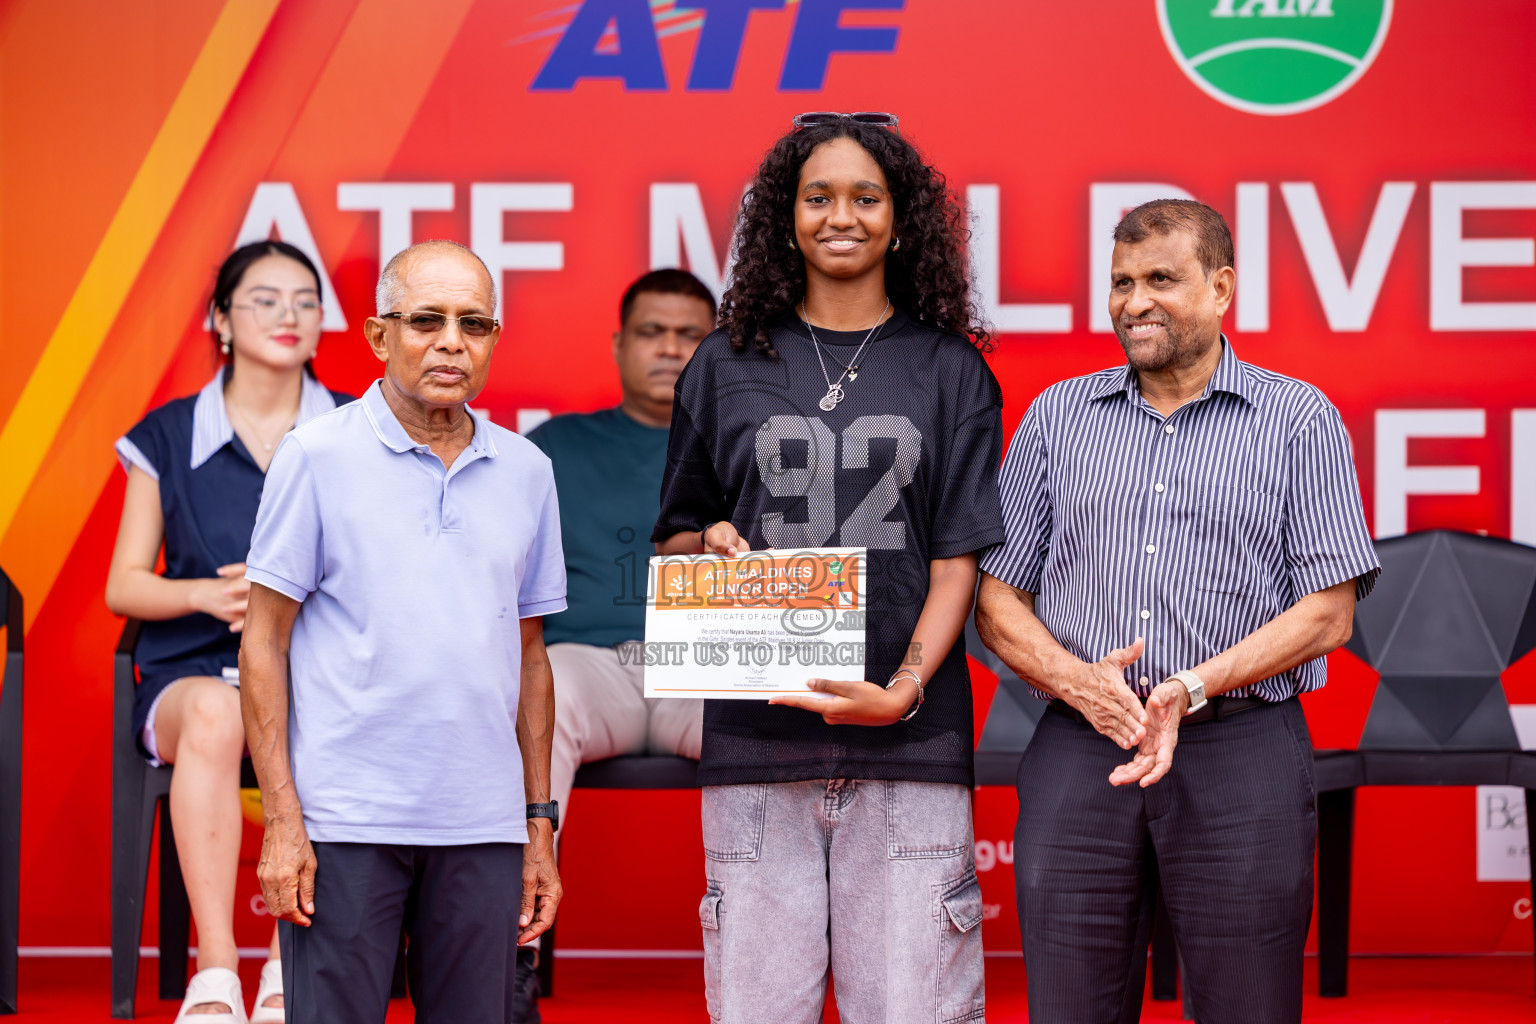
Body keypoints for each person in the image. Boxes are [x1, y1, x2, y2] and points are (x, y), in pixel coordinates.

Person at [974, 199, 1381, 1024]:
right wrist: (1077, 682)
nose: (1134, 301)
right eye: (1121, 282)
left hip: (1241, 749)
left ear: (1222, 286)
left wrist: (1191, 687)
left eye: (1161, 278)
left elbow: (1329, 611)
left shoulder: (1298, 419)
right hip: (1083, 748)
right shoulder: (1058, 417)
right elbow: (997, 595)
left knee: (1247, 1007)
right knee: (1070, 1008)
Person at [652, 112, 1004, 1024]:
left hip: (911, 751)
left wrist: (906, 687)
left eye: (863, 196)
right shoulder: (723, 365)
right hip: (756, 751)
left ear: (900, 218)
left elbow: (955, 557)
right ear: (786, 215)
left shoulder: (949, 369)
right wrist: (713, 546)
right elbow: (678, 535)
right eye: (817, 196)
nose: (839, 215)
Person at [238, 240, 565, 1023]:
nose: (453, 341)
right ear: (379, 336)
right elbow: (263, 642)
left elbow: (530, 656)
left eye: (475, 324)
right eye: (427, 319)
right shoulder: (315, 456)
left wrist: (537, 824)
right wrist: (282, 820)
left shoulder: (527, 470)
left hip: (484, 830)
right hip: (344, 824)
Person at [106, 240, 351, 1023]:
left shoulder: (355, 428)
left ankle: (289, 963)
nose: (290, 315)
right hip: (195, 672)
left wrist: (297, 600)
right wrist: (208, 598)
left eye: (306, 301)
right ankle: (218, 970)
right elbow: (125, 586)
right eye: (266, 299)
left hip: (312, 668)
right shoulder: (168, 435)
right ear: (220, 320)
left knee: (328, 713)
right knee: (215, 712)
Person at [516, 268, 714, 1017]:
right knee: (540, 694)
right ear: (618, 344)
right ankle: (512, 955)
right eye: (651, 333)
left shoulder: (748, 447)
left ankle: (772, 960)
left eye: (689, 335)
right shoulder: (553, 448)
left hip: (703, 664)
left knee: (774, 711)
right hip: (590, 667)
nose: (669, 349)